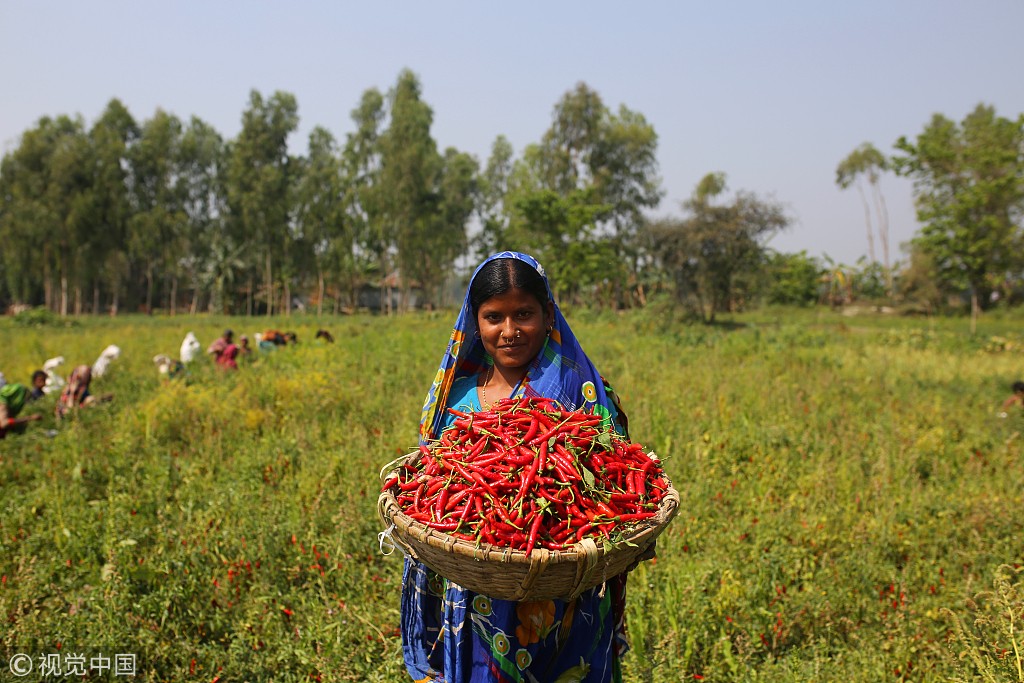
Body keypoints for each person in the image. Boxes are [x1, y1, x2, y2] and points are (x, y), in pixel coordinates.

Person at [404, 251, 631, 683]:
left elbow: (615, 482)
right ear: (476, 322)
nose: (509, 331)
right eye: (494, 317)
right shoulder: (457, 400)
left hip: (565, 590)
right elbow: (431, 485)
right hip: (478, 589)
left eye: (524, 314)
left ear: (548, 316)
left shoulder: (580, 395)